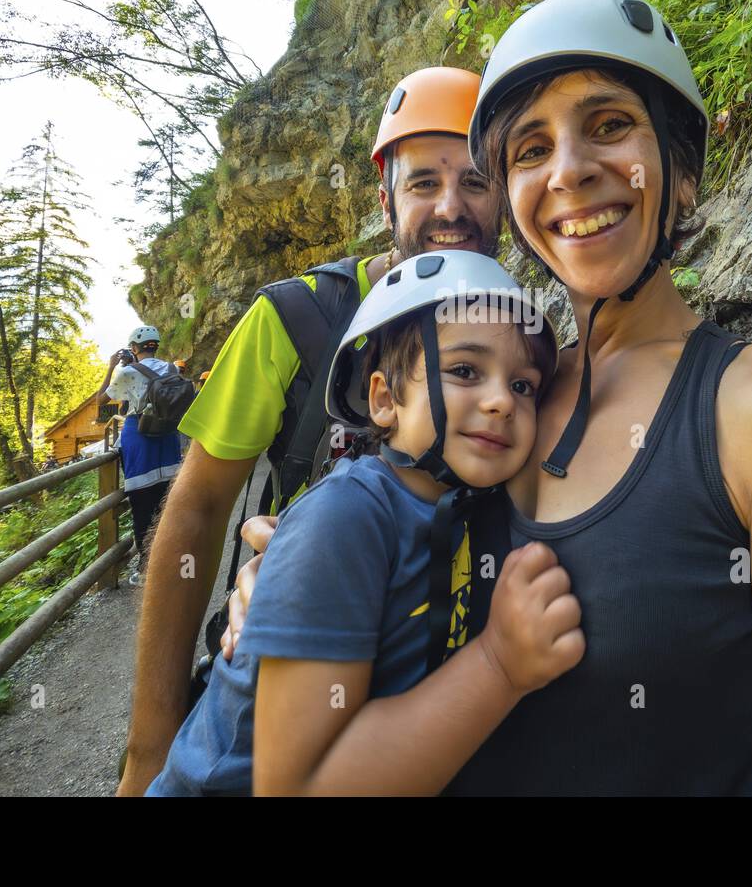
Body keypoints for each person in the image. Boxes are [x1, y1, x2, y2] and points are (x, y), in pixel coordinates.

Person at [226, 0, 752, 796]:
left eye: (609, 125)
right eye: (530, 150)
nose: (569, 170)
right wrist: (294, 580)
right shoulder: (499, 402)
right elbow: (378, 537)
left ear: (679, 172)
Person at [117, 67, 505, 796]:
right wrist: (149, 744)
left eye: (477, 181)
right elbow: (198, 509)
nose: (452, 208)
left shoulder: (516, 341)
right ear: (384, 199)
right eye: (424, 183)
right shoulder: (296, 321)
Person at [145, 251, 578, 795]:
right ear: (382, 398)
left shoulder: (461, 508)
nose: (501, 402)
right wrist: (500, 666)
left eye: (524, 386)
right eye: (465, 370)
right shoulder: (347, 517)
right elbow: (297, 784)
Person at [94, 326, 184, 589]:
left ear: (134, 347)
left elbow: (102, 400)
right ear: (156, 344)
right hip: (167, 439)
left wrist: (111, 366)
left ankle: (147, 569)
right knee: (165, 504)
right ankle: (170, 561)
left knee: (143, 507)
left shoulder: (128, 372)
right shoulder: (171, 369)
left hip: (140, 441)